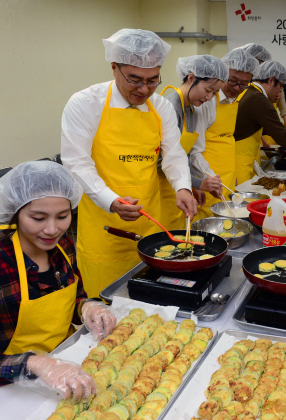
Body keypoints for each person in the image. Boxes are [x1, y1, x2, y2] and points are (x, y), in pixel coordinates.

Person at [61, 29, 196, 298]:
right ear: (114, 68)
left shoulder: (161, 107)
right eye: (134, 79)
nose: (144, 89)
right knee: (107, 305)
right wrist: (111, 200)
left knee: (151, 302)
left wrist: (183, 187)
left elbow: (174, 154)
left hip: (151, 223)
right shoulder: (86, 103)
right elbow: (77, 163)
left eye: (152, 80)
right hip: (105, 226)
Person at [0, 161, 117, 399]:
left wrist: (87, 307)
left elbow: (74, 298)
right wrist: (34, 364)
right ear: (15, 214)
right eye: (38, 218)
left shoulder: (63, 248)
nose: (52, 229)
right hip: (9, 390)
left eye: (62, 216)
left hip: (69, 364)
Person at [159, 55, 229, 227]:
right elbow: (162, 161)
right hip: (161, 190)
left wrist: (192, 185)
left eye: (215, 93)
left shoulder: (189, 108)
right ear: (191, 78)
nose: (210, 98)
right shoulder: (171, 107)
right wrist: (198, 183)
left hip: (176, 188)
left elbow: (184, 155)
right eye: (208, 90)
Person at [192, 49, 260, 220]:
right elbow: (193, 149)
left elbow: (227, 139)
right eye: (233, 81)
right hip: (207, 179)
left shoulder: (234, 99)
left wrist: (234, 177)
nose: (237, 88)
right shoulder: (206, 100)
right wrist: (201, 180)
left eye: (244, 84)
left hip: (227, 177)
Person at [238, 43, 286, 132]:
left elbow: (283, 108)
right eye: (261, 63)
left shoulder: (274, 83)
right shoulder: (247, 88)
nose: (262, 67)